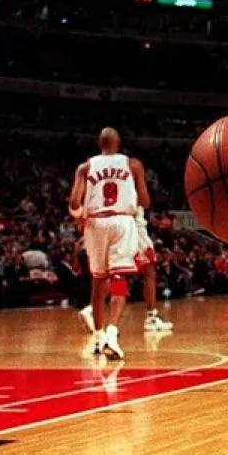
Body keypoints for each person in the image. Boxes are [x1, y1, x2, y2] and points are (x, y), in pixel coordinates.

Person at [68, 128, 149, 361]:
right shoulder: (133, 165)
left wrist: (79, 218)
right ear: (119, 143)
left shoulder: (85, 167)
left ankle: (98, 335)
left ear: (98, 144)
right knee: (119, 279)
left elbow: (74, 202)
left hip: (95, 223)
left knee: (98, 279)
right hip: (121, 220)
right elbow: (145, 200)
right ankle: (112, 333)